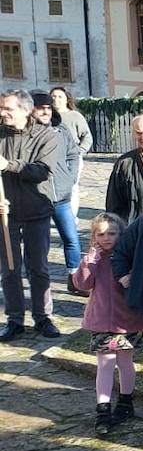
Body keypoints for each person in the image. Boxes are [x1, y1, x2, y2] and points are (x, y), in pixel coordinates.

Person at [72, 212, 143, 434]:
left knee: (125, 363)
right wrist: (89, 261)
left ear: (121, 234)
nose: (106, 238)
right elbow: (82, 284)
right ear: (94, 236)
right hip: (103, 321)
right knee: (104, 365)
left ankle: (126, 402)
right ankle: (103, 410)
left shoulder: (128, 256)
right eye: (101, 234)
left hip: (128, 321)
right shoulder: (94, 259)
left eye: (112, 233)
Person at [0, 89, 60, 340]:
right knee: (10, 269)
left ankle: (42, 317)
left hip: (36, 211)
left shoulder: (46, 136)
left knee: (38, 268)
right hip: (6, 214)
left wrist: (7, 165)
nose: (3, 114)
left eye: (8, 109)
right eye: (1, 109)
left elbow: (41, 172)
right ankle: (15, 319)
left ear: (25, 110)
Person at [29, 92, 81, 291]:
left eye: (48, 108)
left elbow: (73, 154)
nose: (45, 111)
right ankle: (40, 283)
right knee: (40, 244)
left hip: (61, 195)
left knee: (71, 238)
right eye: (40, 108)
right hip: (37, 197)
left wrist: (71, 177)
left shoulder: (60, 129)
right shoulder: (27, 133)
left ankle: (74, 279)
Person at [49, 86, 91, 213]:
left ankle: (71, 214)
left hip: (71, 158)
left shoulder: (74, 116)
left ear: (66, 99)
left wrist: (79, 151)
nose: (56, 99)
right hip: (52, 157)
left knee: (71, 186)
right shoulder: (47, 116)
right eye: (53, 96)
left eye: (60, 96)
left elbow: (87, 136)